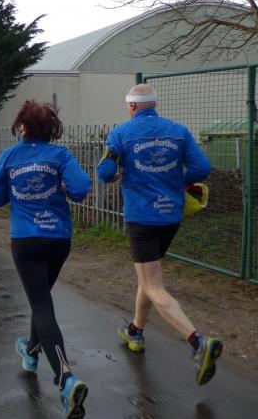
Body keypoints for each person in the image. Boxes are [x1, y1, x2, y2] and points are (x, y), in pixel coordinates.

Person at [96, 83, 223, 386]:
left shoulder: (120, 134)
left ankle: (198, 342)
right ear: (153, 105)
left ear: (131, 106)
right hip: (170, 216)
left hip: (142, 217)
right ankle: (135, 331)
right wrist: (175, 178)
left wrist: (118, 173)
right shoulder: (178, 131)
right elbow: (202, 167)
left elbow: (103, 172)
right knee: (148, 278)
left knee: (154, 285)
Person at [0, 100, 92, 419]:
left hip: (26, 240)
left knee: (41, 305)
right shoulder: (60, 156)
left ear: (22, 127)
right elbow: (81, 189)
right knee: (40, 299)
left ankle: (65, 377)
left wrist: (16, 191)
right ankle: (31, 352)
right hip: (58, 239)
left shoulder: (10, 156)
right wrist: (60, 187)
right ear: (51, 129)